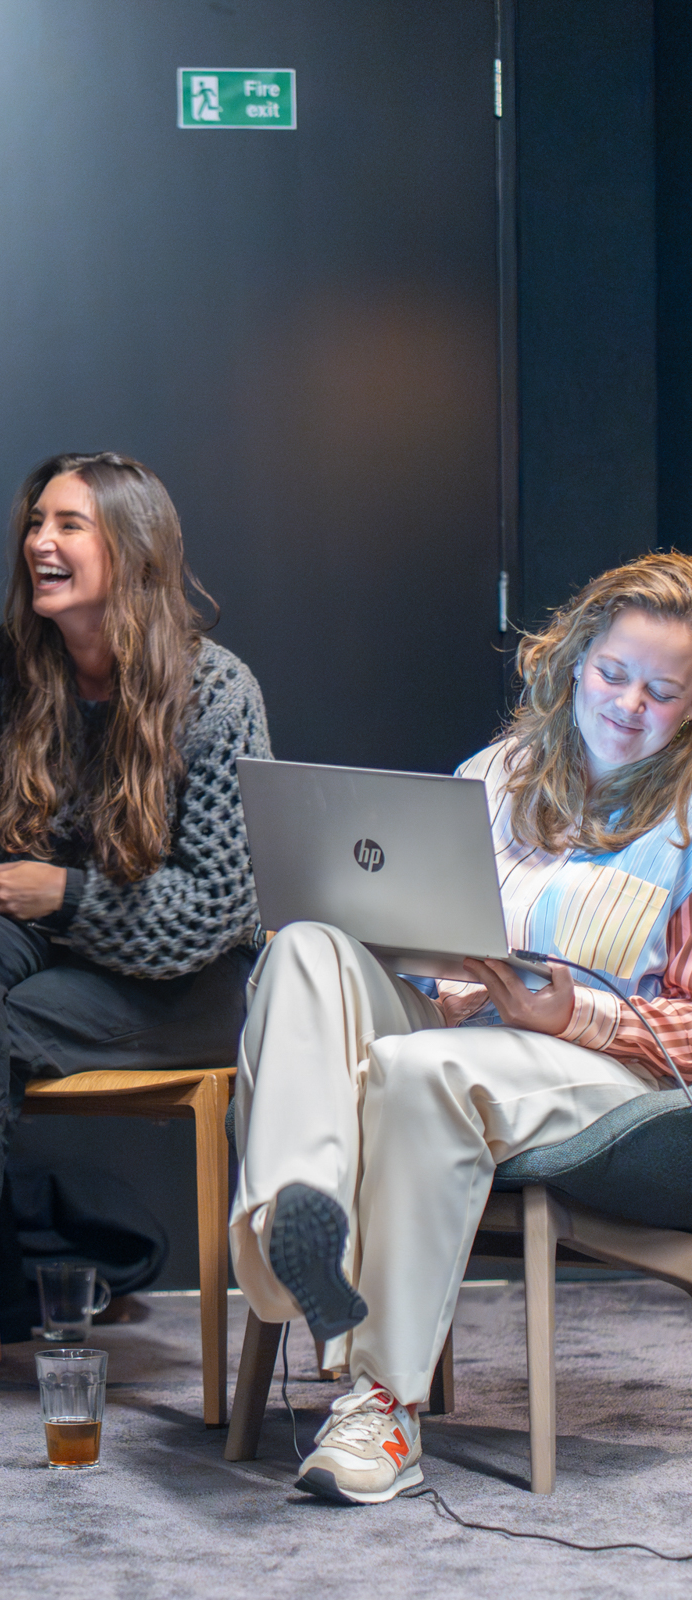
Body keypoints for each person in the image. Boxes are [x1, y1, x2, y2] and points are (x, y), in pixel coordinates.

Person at [230, 550, 692, 1505]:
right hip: (463, 1024)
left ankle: (381, 1407)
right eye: (614, 674)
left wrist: (579, 1010)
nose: (630, 704)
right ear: (573, 662)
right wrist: (389, 940)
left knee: (424, 1074)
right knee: (308, 949)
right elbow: (435, 934)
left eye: (665, 690)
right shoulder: (501, 771)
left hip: (612, 1074)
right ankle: (296, 1234)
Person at [0, 451, 270, 1443]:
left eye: (68, 524)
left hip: (184, 994)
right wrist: (55, 893)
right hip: (49, 972)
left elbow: (211, 908)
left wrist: (62, 890)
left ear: (129, 545)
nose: (40, 542)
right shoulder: (4, 673)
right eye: (36, 522)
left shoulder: (213, 690)